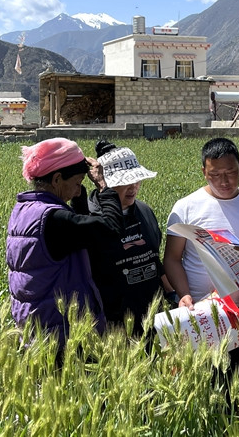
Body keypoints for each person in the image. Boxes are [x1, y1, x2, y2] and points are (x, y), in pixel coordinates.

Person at [6, 137, 123, 355]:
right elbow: (110, 230)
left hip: (37, 331)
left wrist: (78, 199)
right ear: (57, 179)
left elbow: (77, 236)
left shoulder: (24, 210)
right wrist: (103, 186)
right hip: (62, 338)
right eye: (78, 183)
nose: (78, 191)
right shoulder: (54, 220)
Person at [164, 137, 239, 371]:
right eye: (215, 174)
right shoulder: (185, 207)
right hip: (196, 314)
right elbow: (172, 258)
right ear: (204, 172)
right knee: (196, 378)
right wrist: (183, 294)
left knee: (236, 378)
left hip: (237, 314)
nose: (224, 181)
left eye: (231, 172)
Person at [82, 140, 168, 335]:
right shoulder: (88, 217)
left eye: (136, 180)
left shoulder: (144, 211)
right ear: (105, 182)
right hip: (111, 326)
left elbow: (156, 259)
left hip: (153, 318)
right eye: (124, 182)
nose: (133, 187)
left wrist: (173, 294)